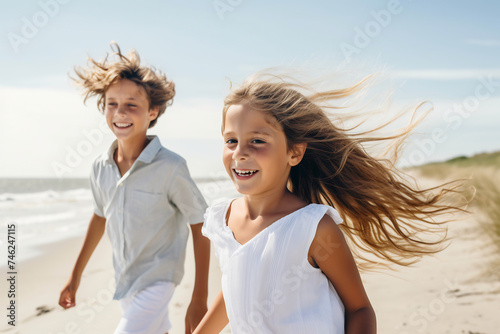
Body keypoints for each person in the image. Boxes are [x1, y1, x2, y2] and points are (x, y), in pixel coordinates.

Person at [194, 73, 466, 333]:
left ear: (294, 152)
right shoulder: (222, 219)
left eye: (257, 141)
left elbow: (360, 309)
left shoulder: (313, 227)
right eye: (231, 140)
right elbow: (237, 288)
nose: (240, 153)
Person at [58, 43, 210, 334]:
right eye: (112, 103)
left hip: (160, 278)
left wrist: (199, 296)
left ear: (152, 112)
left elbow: (200, 223)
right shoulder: (100, 167)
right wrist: (75, 275)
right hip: (125, 280)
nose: (120, 112)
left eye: (131, 105)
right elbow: (100, 217)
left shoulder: (171, 167)